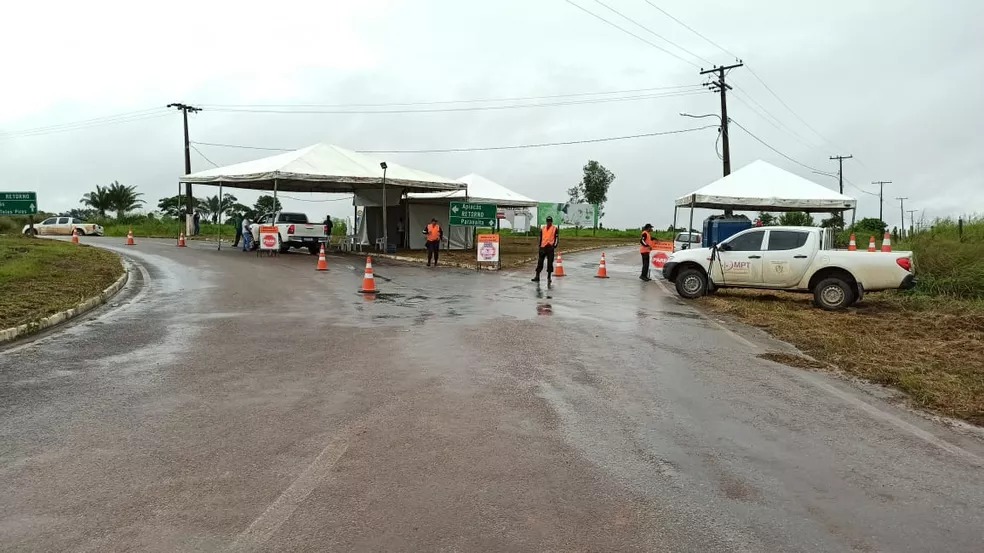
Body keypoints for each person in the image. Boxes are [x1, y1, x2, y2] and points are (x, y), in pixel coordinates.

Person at [531, 216, 559, 283]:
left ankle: (549, 277)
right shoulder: (543, 228)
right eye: (548, 221)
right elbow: (541, 238)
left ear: (551, 222)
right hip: (543, 247)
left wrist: (554, 246)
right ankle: (537, 276)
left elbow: (557, 238)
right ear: (546, 221)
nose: (549, 222)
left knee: (550, 263)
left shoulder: (555, 228)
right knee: (540, 262)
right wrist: (540, 246)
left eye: (550, 221)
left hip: (550, 247)